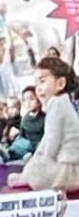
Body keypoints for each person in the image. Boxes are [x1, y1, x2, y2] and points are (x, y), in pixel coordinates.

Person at [27, 54, 79, 196]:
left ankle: (26, 177)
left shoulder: (57, 105)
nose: (38, 88)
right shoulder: (60, 102)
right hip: (69, 157)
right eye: (36, 83)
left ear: (60, 84)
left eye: (42, 81)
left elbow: (52, 139)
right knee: (35, 161)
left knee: (37, 170)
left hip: (68, 163)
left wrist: (44, 160)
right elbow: (47, 139)